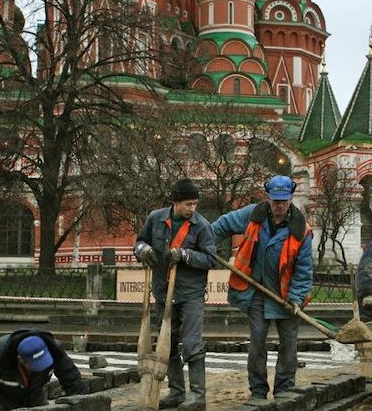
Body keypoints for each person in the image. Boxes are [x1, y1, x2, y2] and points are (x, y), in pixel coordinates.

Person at [211, 175, 313, 400]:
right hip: (257, 290)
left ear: (290, 199)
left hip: (286, 296)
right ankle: (257, 390)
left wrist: (295, 299)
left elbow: (304, 271)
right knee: (257, 339)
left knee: (289, 343)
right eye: (275, 201)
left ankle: (285, 388)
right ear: (268, 198)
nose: (279, 206)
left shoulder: (302, 230)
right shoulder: (252, 215)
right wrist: (204, 242)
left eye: (283, 201)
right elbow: (222, 225)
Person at [134, 178, 216, 411]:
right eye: (188, 204)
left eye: (195, 204)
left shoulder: (202, 226)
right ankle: (177, 392)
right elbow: (139, 242)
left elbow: (211, 258)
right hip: (163, 292)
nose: (193, 209)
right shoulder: (156, 219)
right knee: (166, 344)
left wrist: (186, 255)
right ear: (175, 202)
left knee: (192, 344)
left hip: (191, 294)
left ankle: (198, 396)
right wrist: (142, 249)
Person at [0, 328, 87, 411]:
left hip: (34, 394)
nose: (40, 368)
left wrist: (83, 405)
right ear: (21, 359)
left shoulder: (55, 351)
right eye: (35, 364)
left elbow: (72, 380)